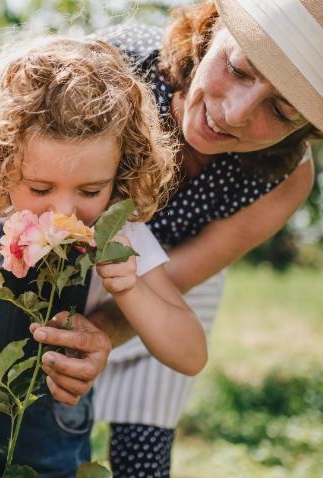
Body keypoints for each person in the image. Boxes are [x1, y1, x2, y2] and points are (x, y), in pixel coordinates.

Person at [29, 0, 323, 476]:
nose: (235, 114)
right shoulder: (113, 73)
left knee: (142, 452)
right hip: (64, 249)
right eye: (237, 69)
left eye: (282, 110)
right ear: (210, 31)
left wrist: (101, 334)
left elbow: (182, 279)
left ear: (306, 130)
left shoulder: (285, 180)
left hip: (170, 276)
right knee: (36, 417)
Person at [0, 34, 208, 477]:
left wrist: (130, 287)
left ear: (121, 172)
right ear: (2, 163)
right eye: (40, 189)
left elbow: (190, 353)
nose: (63, 212)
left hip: (51, 440)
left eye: (90, 190)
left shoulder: (115, 232)